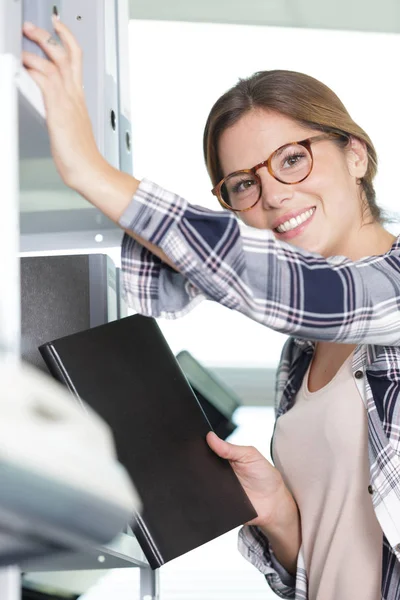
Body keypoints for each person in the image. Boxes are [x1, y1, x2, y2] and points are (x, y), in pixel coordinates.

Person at [22, 17, 400, 600]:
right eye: (243, 184)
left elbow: (298, 287)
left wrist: (91, 172)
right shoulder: (300, 356)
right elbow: (328, 563)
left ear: (356, 154)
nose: (272, 194)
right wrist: (276, 511)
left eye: (293, 159)